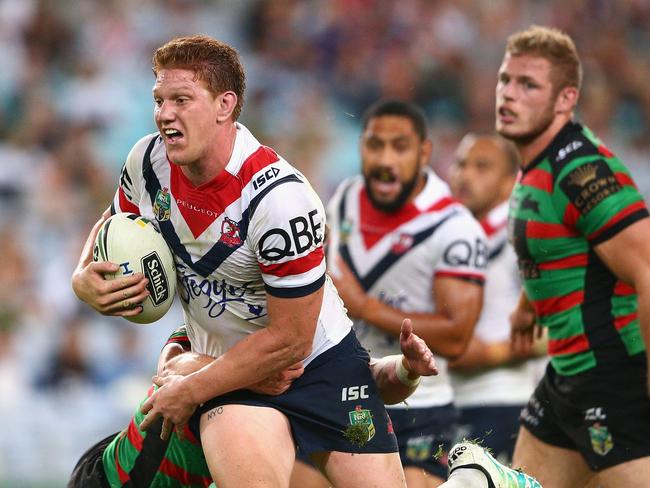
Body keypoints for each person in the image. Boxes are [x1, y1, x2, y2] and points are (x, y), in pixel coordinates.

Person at [72, 35, 409, 488]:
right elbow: (115, 224)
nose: (164, 114)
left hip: (319, 365)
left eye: (181, 100)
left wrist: (189, 387)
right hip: (228, 375)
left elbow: (290, 340)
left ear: (224, 105)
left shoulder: (280, 201)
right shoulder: (147, 162)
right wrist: (82, 278)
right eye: (159, 100)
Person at [297, 99, 488, 488]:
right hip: (340, 394)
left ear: (424, 153)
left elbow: (457, 335)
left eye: (399, 147)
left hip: (419, 409)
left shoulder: (454, 227)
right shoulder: (346, 198)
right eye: (374, 145)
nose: (385, 159)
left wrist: (364, 305)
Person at [497, 25, 650, 487]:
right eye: (505, 79)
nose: (508, 94)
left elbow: (648, 270)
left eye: (528, 85)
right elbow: (560, 246)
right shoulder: (536, 162)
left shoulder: (581, 172)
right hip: (566, 374)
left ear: (565, 100)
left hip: (612, 376)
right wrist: (529, 304)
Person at [68, 320, 439, 488]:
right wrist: (252, 376)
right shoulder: (223, 318)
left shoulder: (313, 331)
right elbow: (172, 366)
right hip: (117, 477)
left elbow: (353, 385)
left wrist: (406, 370)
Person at [447, 133, 544, 463]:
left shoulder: (525, 235)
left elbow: (561, 325)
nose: (465, 175)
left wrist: (488, 353)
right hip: (453, 398)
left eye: (482, 167)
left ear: (509, 182)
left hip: (506, 397)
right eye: (460, 164)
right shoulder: (452, 234)